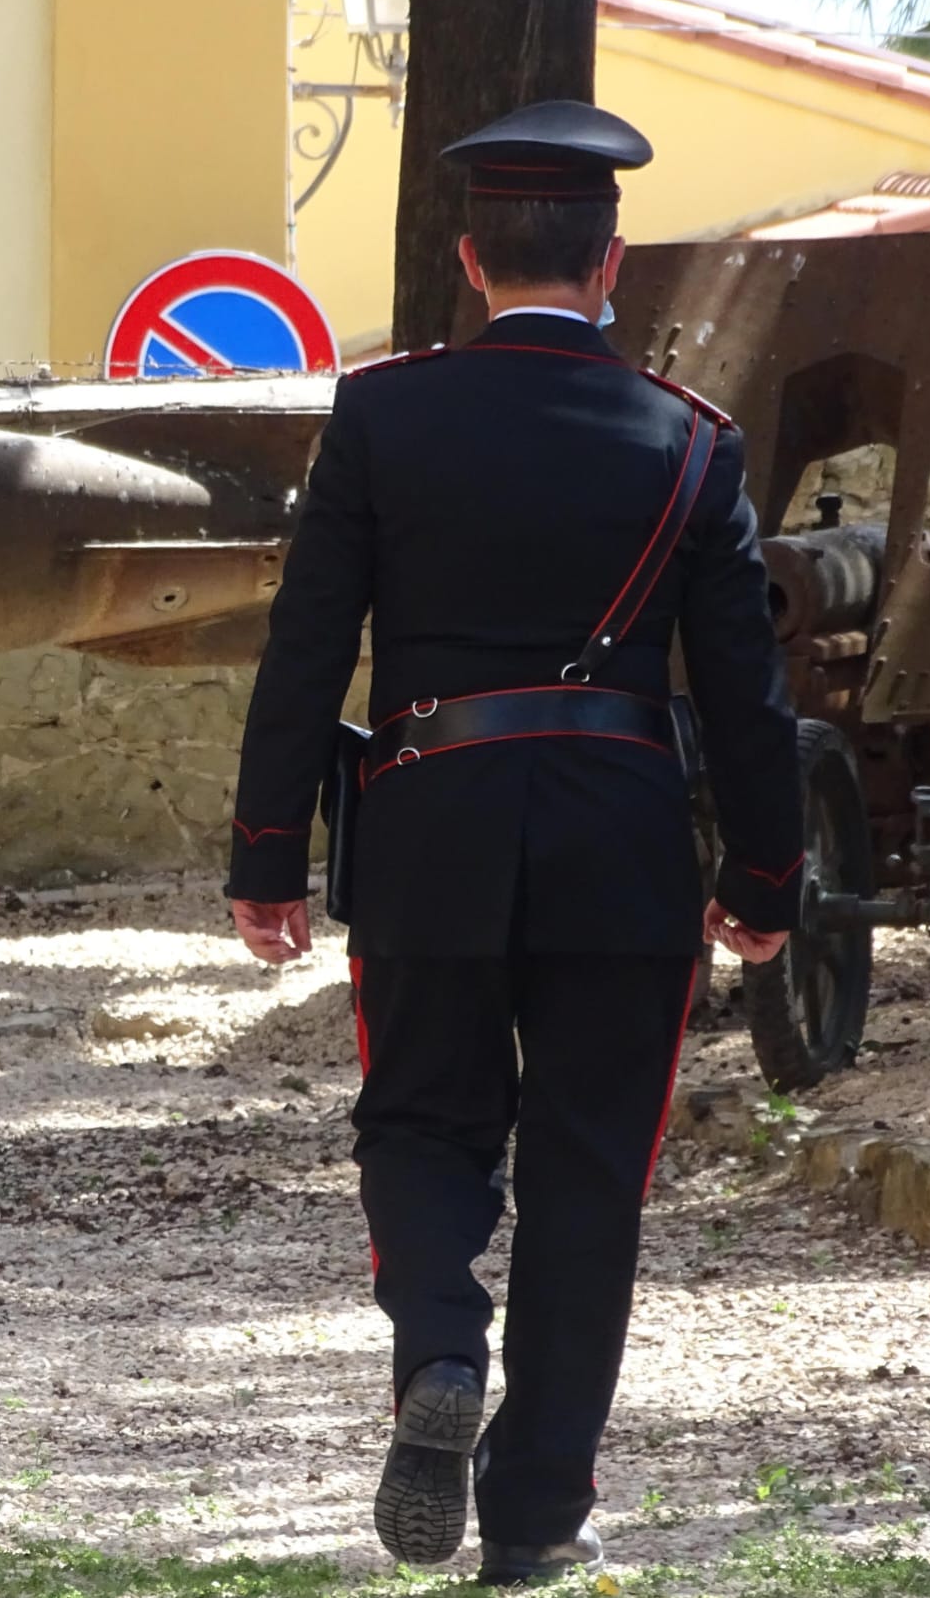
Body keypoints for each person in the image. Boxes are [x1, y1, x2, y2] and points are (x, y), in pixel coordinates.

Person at [225, 100, 801, 1587]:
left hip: (431, 832)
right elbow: (745, 689)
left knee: (420, 1125)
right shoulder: (691, 444)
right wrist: (765, 879)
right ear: (611, 265)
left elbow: (306, 652)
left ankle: (435, 1347)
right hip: (620, 855)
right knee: (590, 1177)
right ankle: (537, 1511)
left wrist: (269, 852)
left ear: (471, 261)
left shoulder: (385, 415)